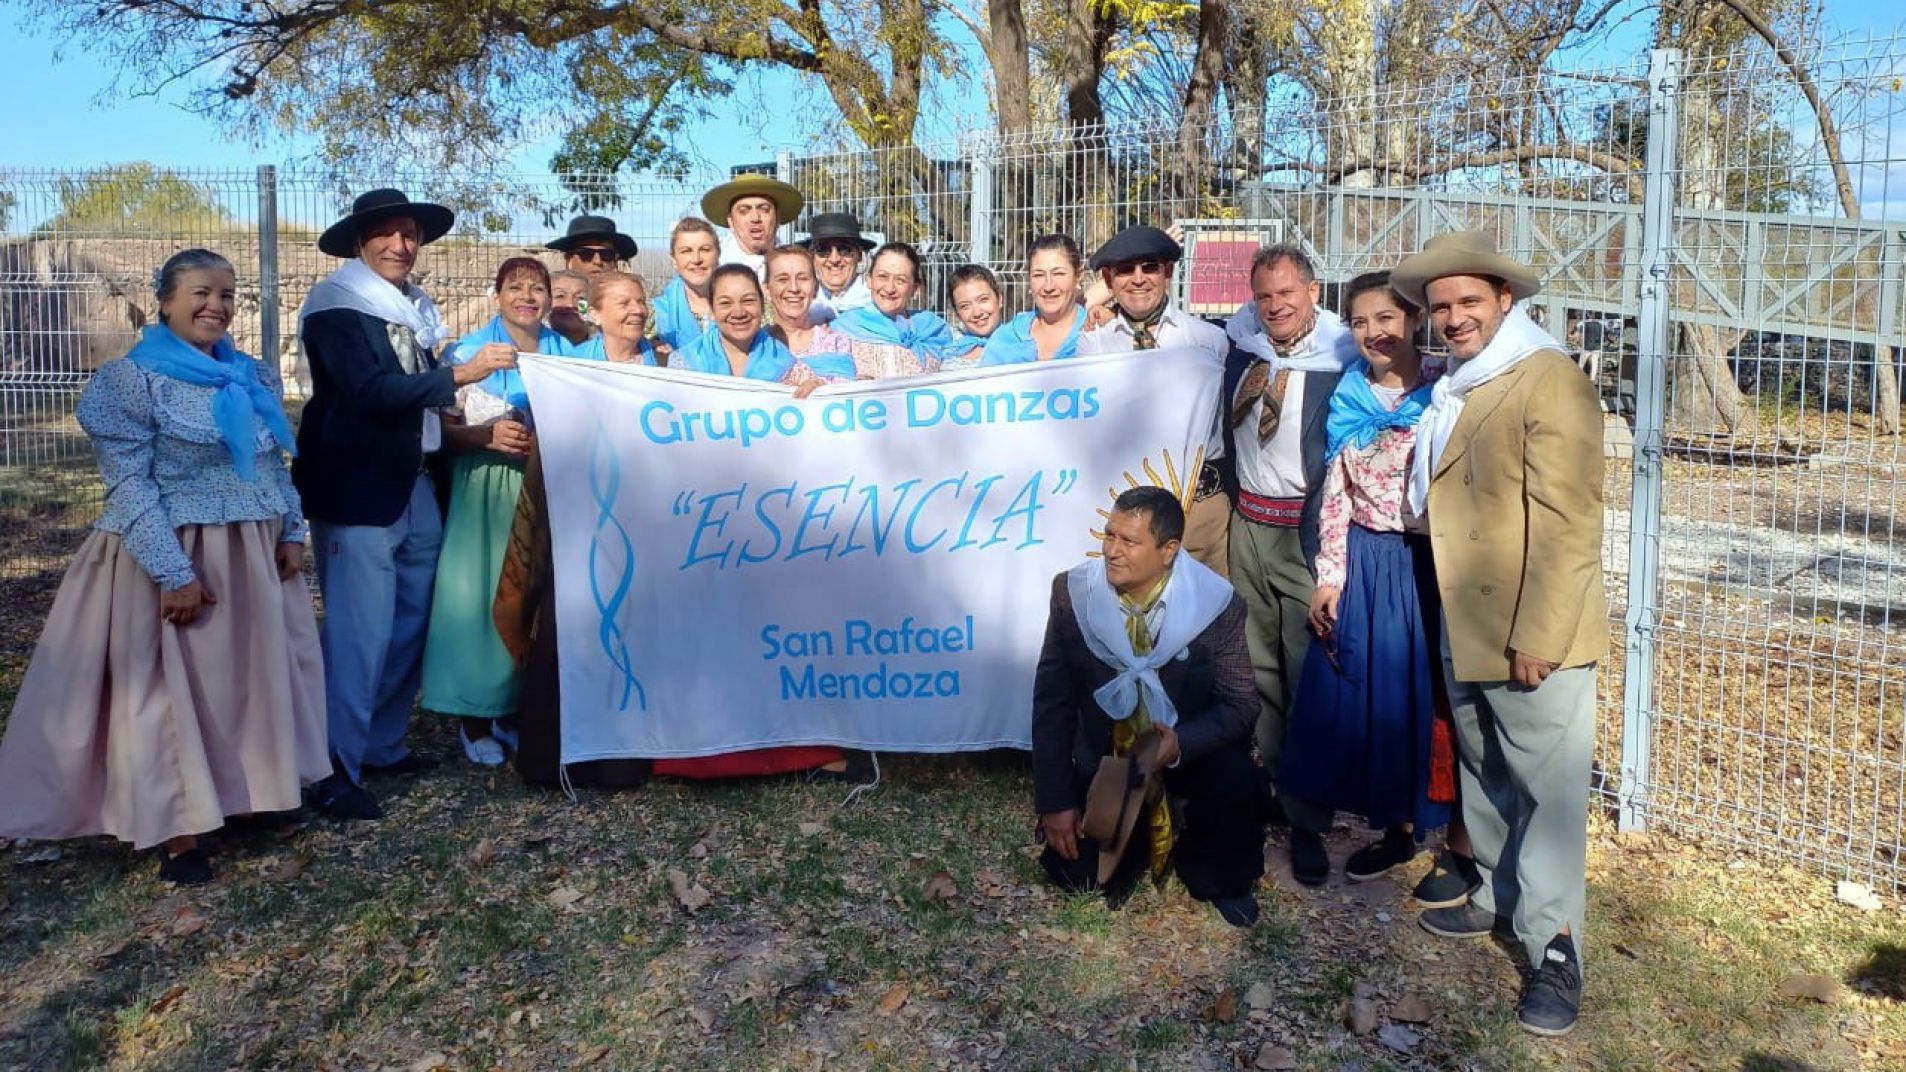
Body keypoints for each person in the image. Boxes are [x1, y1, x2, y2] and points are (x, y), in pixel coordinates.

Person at [0, 249, 327, 884]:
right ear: (166, 301)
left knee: (250, 682)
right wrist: (172, 572)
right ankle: (177, 827)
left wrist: (292, 528)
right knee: (169, 693)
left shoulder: (249, 375)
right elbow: (129, 487)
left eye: (228, 295)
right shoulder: (133, 380)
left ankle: (250, 797)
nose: (217, 306)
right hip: (174, 549)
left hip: (253, 552)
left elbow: (268, 465)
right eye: (202, 292)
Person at [1392, 230, 1604, 1037]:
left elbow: (1569, 521)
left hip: (1531, 628)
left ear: (1505, 302)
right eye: (1440, 306)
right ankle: (1496, 894)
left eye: (1468, 302)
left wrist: (1540, 634)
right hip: (1469, 617)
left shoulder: (1546, 380)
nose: (1451, 317)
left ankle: (1555, 947)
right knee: (1483, 768)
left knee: (1545, 794)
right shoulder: (1461, 382)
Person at [296, 188, 515, 820]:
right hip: (358, 484)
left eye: (410, 234)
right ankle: (332, 765)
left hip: (412, 479)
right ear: (361, 242)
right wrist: (460, 376)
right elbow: (367, 391)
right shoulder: (337, 305)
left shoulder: (409, 308)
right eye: (388, 234)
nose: (401, 245)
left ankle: (382, 743)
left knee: (410, 619)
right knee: (360, 629)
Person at [1272, 272, 1466, 895]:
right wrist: (1329, 576)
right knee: (1361, 692)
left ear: (1412, 319)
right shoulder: (1350, 392)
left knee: (1421, 699)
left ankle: (1432, 828)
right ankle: (1384, 822)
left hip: (1430, 563)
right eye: (1358, 322)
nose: (1373, 333)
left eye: (1385, 318)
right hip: (1365, 558)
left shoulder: (1448, 387)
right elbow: (1337, 491)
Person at [1032, 486, 1266, 927]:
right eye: (1109, 536)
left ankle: (1213, 866)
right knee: (1079, 877)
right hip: (1109, 760)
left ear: (1168, 550)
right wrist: (1056, 800)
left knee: (1235, 780)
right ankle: (1137, 833)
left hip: (1184, 755)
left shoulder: (1215, 604)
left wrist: (1181, 745)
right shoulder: (1072, 594)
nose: (1112, 552)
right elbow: (1052, 704)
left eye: (1129, 541)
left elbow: (1240, 705)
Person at [658, 263, 852, 779]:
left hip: (770, 519)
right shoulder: (683, 363)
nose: (739, 311)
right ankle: (703, 749)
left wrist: (814, 403)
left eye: (747, 300)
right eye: (726, 302)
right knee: (710, 631)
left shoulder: (787, 365)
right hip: (704, 514)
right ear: (711, 308)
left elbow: (815, 433)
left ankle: (791, 749)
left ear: (761, 303)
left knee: (774, 631)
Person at [1222, 244, 1359, 796]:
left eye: (1286, 293)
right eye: (1263, 296)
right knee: (1258, 669)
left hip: (1301, 536)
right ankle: (1275, 779)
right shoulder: (1241, 347)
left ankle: (1310, 806)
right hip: (1247, 527)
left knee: (1308, 671)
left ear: (1312, 292)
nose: (1275, 306)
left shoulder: (1341, 360)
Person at [420, 257, 568, 766]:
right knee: (480, 596)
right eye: (515, 287)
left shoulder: (564, 351)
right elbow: (437, 435)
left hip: (545, 491)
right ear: (496, 294)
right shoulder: (468, 353)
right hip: (484, 490)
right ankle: (474, 716)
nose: (527, 296)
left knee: (536, 599)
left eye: (537, 288)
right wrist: (484, 436)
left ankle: (516, 710)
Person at [1077, 226, 1231, 574]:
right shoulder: (1093, 344)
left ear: (1168, 272)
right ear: (1108, 279)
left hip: (1199, 506)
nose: (1138, 279)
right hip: (1126, 506)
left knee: (1204, 611)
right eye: (1125, 270)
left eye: (1149, 267)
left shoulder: (1209, 340)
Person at [831, 242, 950, 379]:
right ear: (869, 280)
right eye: (883, 277)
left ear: (915, 289)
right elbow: (827, 376)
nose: (889, 288)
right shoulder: (844, 329)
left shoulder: (933, 331)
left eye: (900, 280)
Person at [980, 234, 1089, 366]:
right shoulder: (1006, 338)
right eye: (1038, 275)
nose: (1048, 286)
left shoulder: (1096, 334)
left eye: (1058, 273)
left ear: (1078, 276)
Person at [764, 246, 857, 381]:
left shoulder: (835, 343)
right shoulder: (754, 345)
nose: (794, 288)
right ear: (767, 289)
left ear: (815, 287)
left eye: (803, 278)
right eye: (783, 279)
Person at [701, 173, 804, 281]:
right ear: (730, 221)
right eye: (744, 211)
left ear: (778, 217)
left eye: (764, 209)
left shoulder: (797, 264)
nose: (755, 218)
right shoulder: (712, 267)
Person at [653, 218, 719, 354]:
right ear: (674, 260)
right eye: (686, 251)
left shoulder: (746, 304)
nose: (696, 259)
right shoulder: (655, 314)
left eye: (705, 250)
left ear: (718, 254)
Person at [571, 271, 660, 365]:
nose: (638, 310)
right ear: (594, 315)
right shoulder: (573, 363)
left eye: (641, 302)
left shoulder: (665, 361)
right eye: (624, 303)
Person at [803, 211, 875, 318]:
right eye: (823, 249)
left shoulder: (876, 301)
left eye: (844, 249)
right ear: (812, 257)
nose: (834, 259)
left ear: (859, 255)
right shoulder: (801, 302)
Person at [942, 264, 1005, 368]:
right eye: (965, 306)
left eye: (983, 300)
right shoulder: (947, 347)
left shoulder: (1020, 343)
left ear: (1000, 299)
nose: (977, 313)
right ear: (957, 313)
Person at [547, 214, 638, 278]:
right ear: (569, 260)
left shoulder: (628, 302)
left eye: (606, 254)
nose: (597, 261)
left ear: (615, 261)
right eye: (586, 254)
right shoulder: (555, 302)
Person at [548, 268, 593, 347]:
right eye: (560, 296)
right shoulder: (535, 342)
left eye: (580, 298)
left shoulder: (604, 345)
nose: (570, 304)